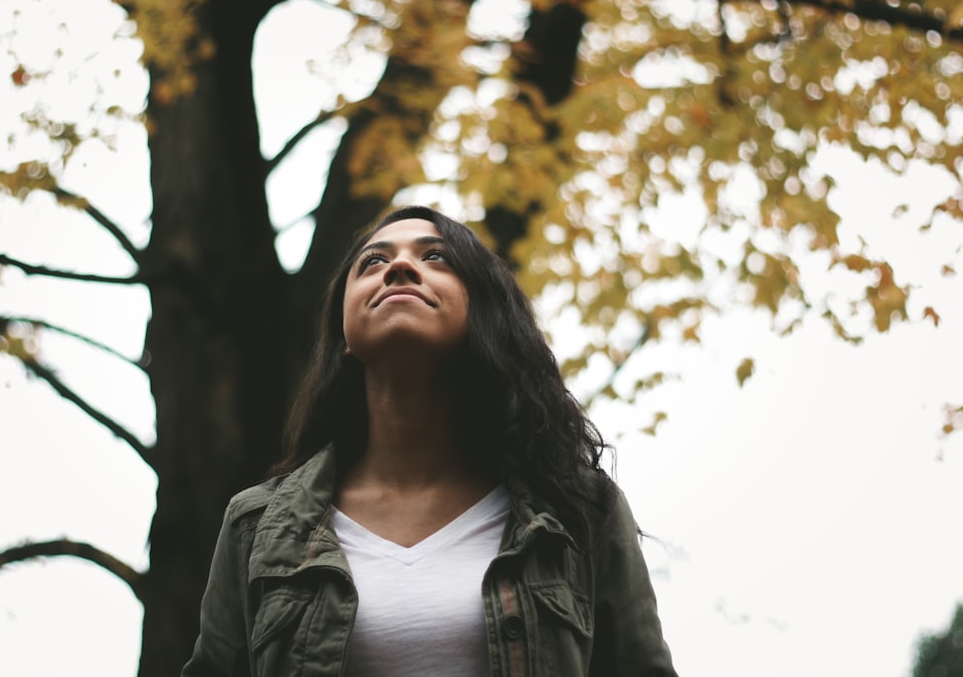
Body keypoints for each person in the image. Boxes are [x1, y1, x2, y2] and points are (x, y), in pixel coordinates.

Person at [182, 206, 677, 677]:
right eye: (372, 262)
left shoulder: (581, 511)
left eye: (435, 256)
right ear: (344, 336)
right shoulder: (256, 527)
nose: (398, 266)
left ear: (482, 309)